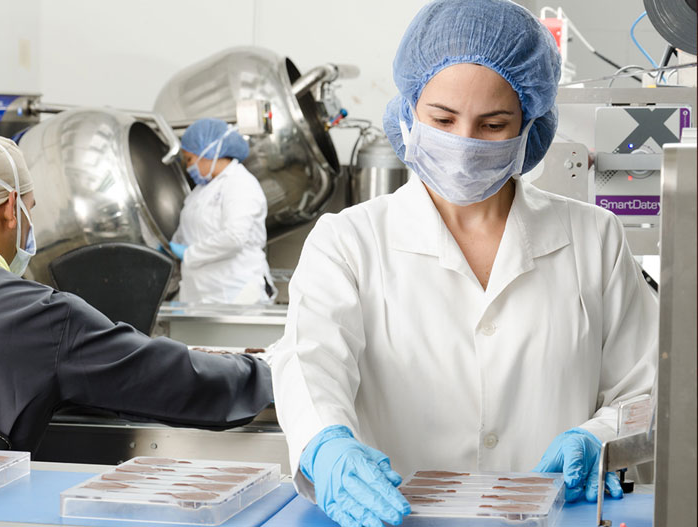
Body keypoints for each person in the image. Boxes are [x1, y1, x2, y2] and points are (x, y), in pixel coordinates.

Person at [270, 2, 658, 527]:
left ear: (530, 125)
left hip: (551, 519)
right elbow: (310, 365)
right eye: (442, 119)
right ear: (409, 112)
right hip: (397, 519)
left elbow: (646, 387)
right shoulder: (348, 241)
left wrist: (599, 438)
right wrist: (326, 444)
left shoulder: (594, 237)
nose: (464, 143)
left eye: (494, 124)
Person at [0, 134, 273, 451]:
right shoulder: (35, 315)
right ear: (11, 209)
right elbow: (169, 379)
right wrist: (269, 372)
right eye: (30, 209)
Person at [169, 118, 277, 304]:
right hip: (200, 296)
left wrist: (188, 253)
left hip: (236, 294)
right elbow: (189, 230)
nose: (188, 167)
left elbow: (234, 237)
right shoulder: (200, 190)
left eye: (190, 159)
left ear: (209, 151)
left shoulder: (240, 183)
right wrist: (170, 246)